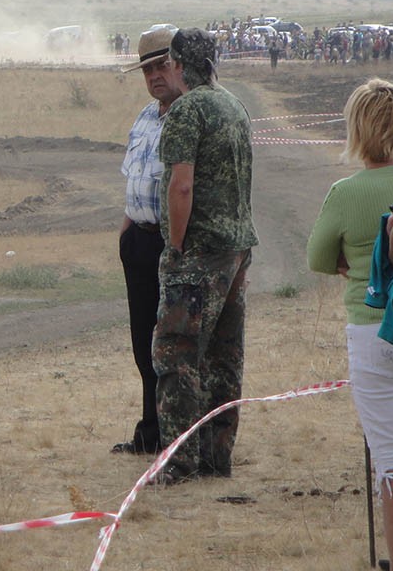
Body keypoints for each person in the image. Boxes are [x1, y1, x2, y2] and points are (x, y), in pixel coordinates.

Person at [151, 27, 259, 485]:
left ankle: (178, 461)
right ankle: (217, 456)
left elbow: (182, 184)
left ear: (177, 65)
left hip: (199, 253)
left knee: (176, 353)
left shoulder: (187, 110)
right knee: (223, 356)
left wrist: (175, 248)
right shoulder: (235, 106)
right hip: (237, 246)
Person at [307, 78, 393, 563]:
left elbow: (319, 257)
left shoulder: (345, 192)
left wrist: (353, 263)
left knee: (390, 462)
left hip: (371, 327)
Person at [112, 26, 182, 455]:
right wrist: (124, 232)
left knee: (170, 346)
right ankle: (150, 432)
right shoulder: (144, 116)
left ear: (179, 65)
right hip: (137, 241)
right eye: (148, 69)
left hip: (168, 245)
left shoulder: (190, 117)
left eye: (162, 66)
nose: (155, 76)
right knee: (143, 344)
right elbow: (132, 180)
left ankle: (175, 437)